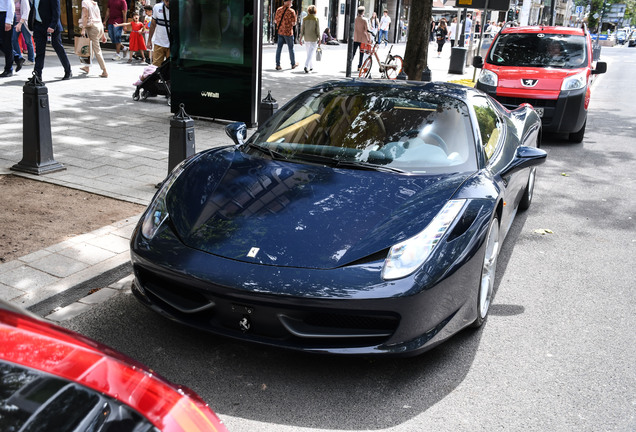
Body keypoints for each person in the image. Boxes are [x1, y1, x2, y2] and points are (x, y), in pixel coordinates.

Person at [28, 0, 72, 80]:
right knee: (39, 51)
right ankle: (37, 75)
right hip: (38, 26)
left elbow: (57, 11)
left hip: (51, 27)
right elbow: (34, 9)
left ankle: (68, 70)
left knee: (58, 48)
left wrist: (52, 25)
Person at [78, 0, 107, 77]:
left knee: (97, 50)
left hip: (92, 27)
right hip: (99, 26)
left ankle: (104, 71)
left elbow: (85, 16)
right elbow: (99, 17)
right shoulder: (94, 3)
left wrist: (83, 29)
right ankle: (87, 67)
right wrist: (103, 34)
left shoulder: (85, 2)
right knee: (91, 48)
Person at [274, 0, 297, 70]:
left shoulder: (278, 10)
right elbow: (294, 23)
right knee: (291, 48)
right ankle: (293, 64)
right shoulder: (291, 11)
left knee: (279, 48)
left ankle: (278, 65)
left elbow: (275, 21)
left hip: (280, 32)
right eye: (291, 1)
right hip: (288, 33)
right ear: (288, 2)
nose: (292, 3)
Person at [12, 0, 34, 72]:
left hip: (24, 22)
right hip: (15, 22)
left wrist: (20, 23)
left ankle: (31, 59)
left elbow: (26, 12)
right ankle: (19, 58)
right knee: (13, 39)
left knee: (28, 41)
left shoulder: (23, 0)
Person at [147, 0, 169, 67]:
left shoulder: (179, 8)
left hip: (173, 45)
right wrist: (149, 40)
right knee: (155, 67)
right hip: (159, 43)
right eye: (166, 0)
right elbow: (153, 25)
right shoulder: (157, 7)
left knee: (171, 68)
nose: (168, 3)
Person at [299, 4, 319, 74]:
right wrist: (320, 38)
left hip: (306, 38)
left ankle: (311, 66)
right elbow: (318, 30)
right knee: (310, 53)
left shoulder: (305, 19)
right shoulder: (316, 19)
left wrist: (300, 38)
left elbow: (302, 30)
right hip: (313, 38)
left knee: (308, 52)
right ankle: (306, 65)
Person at [1, 0, 15, 77]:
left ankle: (9, 69)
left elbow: (11, 4)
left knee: (7, 43)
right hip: (2, 14)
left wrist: (9, 21)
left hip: (5, 14)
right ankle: (16, 56)